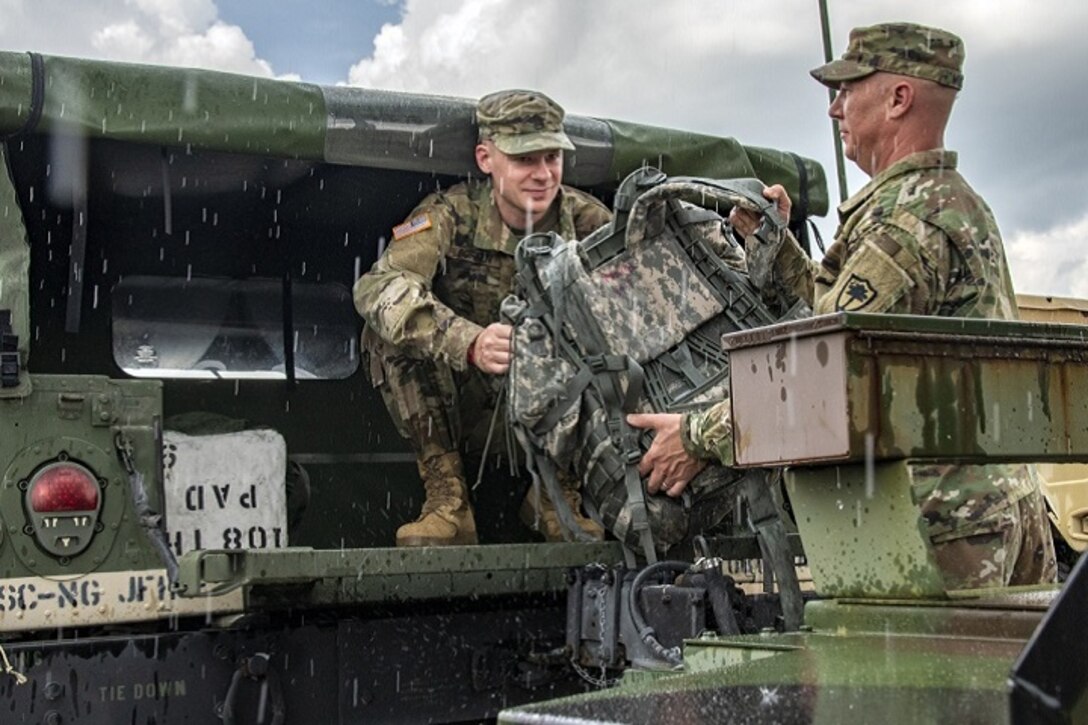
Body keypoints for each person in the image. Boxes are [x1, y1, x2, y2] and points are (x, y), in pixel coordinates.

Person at [629, 22, 1056, 589]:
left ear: (898, 99)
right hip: (993, 508)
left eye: (848, 91)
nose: (835, 110)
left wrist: (696, 436)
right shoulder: (946, 203)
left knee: (917, 679)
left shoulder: (905, 224)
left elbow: (821, 380)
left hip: (946, 526)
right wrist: (775, 244)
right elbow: (852, 319)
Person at [354, 89, 612, 547]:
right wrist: (467, 342)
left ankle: (556, 495)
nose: (542, 174)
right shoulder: (449, 213)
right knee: (385, 333)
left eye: (552, 157)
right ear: (486, 158)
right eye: (524, 160)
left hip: (557, 407)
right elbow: (378, 287)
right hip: (465, 403)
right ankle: (447, 502)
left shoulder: (589, 222)